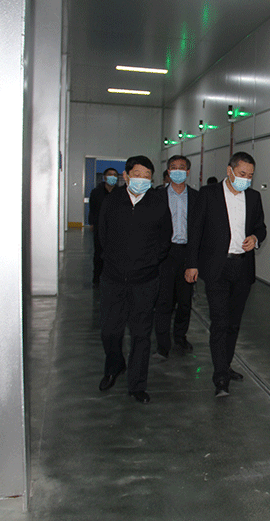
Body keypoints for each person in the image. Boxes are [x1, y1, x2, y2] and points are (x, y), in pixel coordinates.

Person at [185, 152, 267, 397]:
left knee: (233, 323)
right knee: (220, 322)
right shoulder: (208, 194)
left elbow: (261, 227)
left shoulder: (253, 197)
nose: (246, 179)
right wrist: (191, 264)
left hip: (242, 267)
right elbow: (195, 230)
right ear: (229, 171)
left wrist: (255, 238)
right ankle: (220, 377)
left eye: (250, 175)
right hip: (216, 267)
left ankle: (226, 364)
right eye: (242, 174)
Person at [97, 155, 172, 403]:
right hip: (113, 278)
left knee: (141, 334)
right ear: (126, 176)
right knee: (110, 330)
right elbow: (102, 235)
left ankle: (137, 384)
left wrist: (150, 262)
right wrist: (113, 261)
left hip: (145, 280)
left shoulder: (158, 202)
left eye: (147, 176)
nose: (141, 179)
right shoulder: (112, 201)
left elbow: (165, 238)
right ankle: (114, 365)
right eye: (137, 174)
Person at [153, 155, 198, 360]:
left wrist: (195, 260)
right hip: (165, 254)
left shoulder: (197, 197)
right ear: (168, 171)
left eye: (182, 167)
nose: (177, 170)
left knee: (185, 301)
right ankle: (163, 345)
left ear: (187, 171)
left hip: (187, 253)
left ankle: (180, 336)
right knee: (163, 301)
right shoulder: (157, 196)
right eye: (173, 167)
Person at [88, 168, 118, 286]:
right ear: (105, 177)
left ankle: (112, 278)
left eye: (115, 175)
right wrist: (92, 223)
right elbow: (92, 209)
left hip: (115, 228)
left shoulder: (120, 192)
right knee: (99, 254)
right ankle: (97, 278)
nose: (112, 177)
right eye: (110, 174)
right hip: (99, 227)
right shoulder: (96, 192)